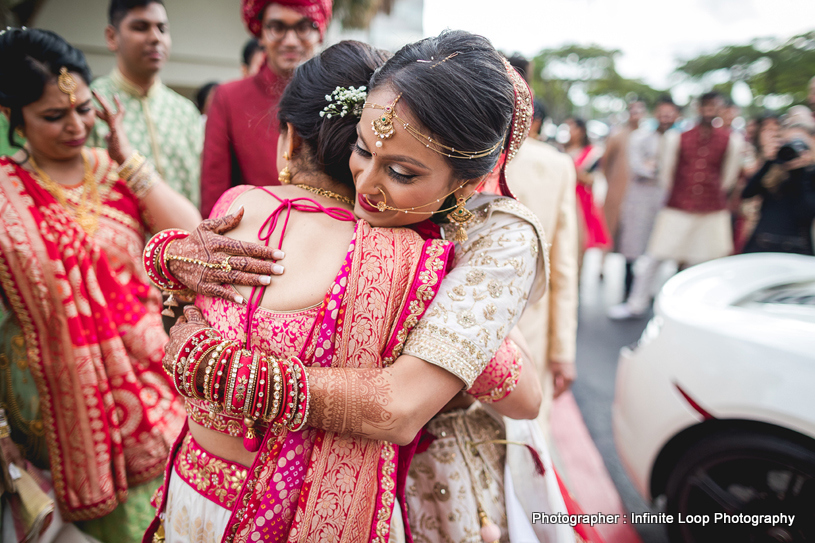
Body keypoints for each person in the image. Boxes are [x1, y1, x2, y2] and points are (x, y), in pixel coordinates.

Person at [150, 31, 601, 543]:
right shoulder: (381, 234)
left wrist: (222, 369)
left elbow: (450, 401)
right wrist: (167, 256)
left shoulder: (490, 240)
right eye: (362, 149)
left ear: (466, 185)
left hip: (433, 473)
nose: (365, 185)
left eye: (403, 172)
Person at [0, 27, 201, 542]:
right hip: (63, 416)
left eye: (84, 109)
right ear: (11, 117)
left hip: (159, 391)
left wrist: (127, 154)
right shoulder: (6, 196)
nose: (75, 125)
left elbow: (193, 235)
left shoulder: (113, 171)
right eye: (53, 115)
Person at [609, 91, 743, 319]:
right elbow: (667, 175)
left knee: (706, 262)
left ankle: (695, 310)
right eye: (705, 106)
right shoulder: (677, 138)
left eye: (714, 106)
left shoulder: (731, 140)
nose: (709, 110)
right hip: (678, 205)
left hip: (712, 209)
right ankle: (635, 304)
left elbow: (728, 177)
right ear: (698, 108)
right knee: (654, 257)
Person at [199, 0, 333, 218]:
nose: (290, 41)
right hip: (252, 240)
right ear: (260, 33)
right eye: (277, 27)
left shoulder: (340, 96)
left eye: (303, 27)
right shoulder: (228, 98)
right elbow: (214, 198)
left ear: (320, 32)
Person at [505, 59, 579, 434]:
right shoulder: (556, 164)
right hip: (530, 330)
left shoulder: (447, 152)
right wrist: (562, 352)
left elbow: (564, 265)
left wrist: (562, 352)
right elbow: (563, 268)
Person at [89, 0, 203, 208]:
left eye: (162, 29)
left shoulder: (185, 111)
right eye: (140, 28)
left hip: (189, 237)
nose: (155, 38)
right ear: (112, 37)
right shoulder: (90, 104)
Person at [616, 96, 679, 300]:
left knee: (659, 247)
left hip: (666, 199)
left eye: (670, 113)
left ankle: (650, 293)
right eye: (662, 113)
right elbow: (638, 167)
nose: (666, 117)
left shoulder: (679, 139)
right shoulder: (640, 137)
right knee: (632, 245)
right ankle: (628, 291)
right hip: (639, 198)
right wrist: (658, 169)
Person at [741, 109, 815, 255]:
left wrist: (801, 174)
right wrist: (770, 161)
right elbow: (747, 193)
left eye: (800, 145)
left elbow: (805, 213)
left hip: (796, 251)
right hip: (761, 246)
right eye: (789, 143)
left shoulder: (811, 175)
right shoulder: (775, 169)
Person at [564, 116, 610, 271]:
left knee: (580, 241)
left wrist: (573, 171)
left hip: (582, 201)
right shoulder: (562, 150)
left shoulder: (592, 153)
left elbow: (593, 179)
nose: (569, 132)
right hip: (564, 197)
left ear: (581, 130)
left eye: (572, 128)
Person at [602, 100, 645, 247]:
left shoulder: (646, 137)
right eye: (633, 112)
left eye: (639, 112)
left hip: (637, 192)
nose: (636, 116)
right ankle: (602, 264)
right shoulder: (617, 136)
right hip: (617, 190)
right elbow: (605, 163)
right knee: (610, 227)